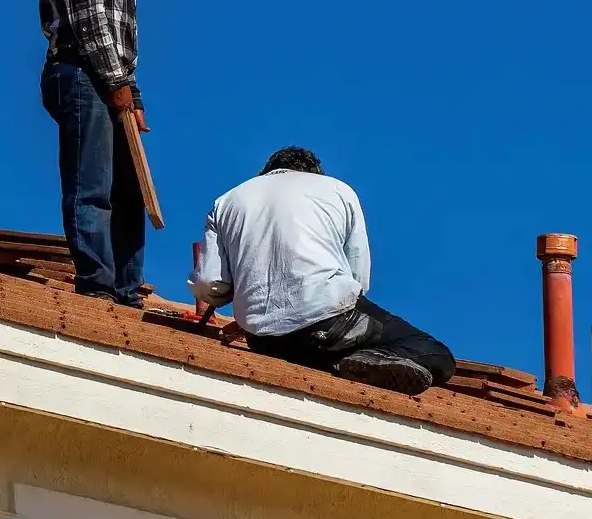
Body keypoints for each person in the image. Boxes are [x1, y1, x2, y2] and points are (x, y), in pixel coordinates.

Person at [187, 147, 456, 395]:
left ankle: (349, 361)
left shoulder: (226, 201)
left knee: (313, 346)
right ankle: (362, 360)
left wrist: (251, 308)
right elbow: (358, 278)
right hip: (330, 326)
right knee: (436, 356)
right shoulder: (337, 190)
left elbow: (210, 284)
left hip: (263, 341)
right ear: (314, 173)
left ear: (266, 172)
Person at [39, 0, 149, 308]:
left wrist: (132, 96)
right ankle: (98, 282)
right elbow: (90, 25)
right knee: (93, 182)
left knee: (130, 188)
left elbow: (121, 43)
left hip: (108, 78)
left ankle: (126, 287)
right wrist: (117, 84)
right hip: (82, 73)